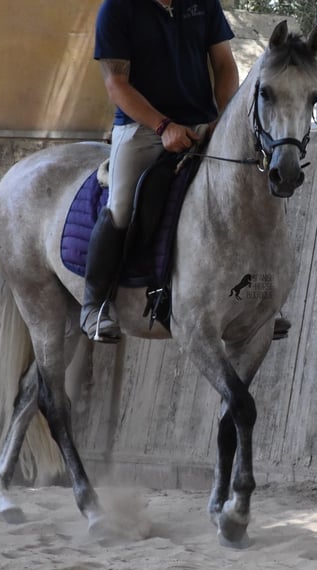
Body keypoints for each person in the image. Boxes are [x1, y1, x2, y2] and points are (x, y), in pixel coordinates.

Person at [81, 0, 240, 342]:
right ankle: (94, 305)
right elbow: (116, 85)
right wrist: (163, 125)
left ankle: (258, 297)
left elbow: (225, 65)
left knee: (244, 186)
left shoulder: (203, 4)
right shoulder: (117, 9)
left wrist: (223, 117)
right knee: (121, 206)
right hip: (142, 127)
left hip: (202, 122)